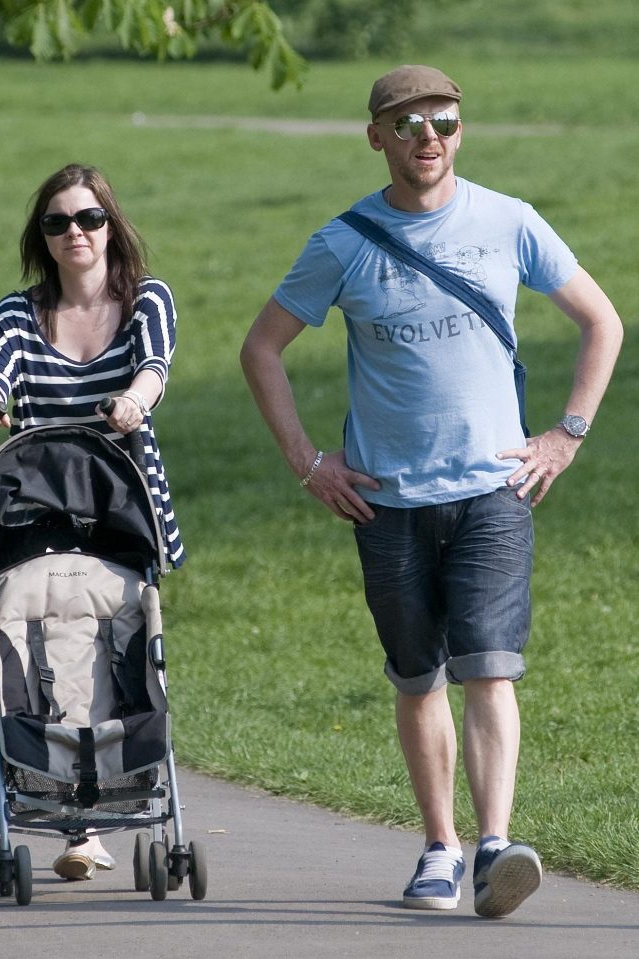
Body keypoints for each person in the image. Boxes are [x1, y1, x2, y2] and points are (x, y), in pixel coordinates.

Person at [240, 65, 622, 917]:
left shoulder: (507, 221)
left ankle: (493, 845)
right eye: (407, 125)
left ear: (460, 130)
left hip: (493, 490)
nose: (427, 139)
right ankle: (438, 848)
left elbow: (603, 320)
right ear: (376, 137)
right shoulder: (343, 241)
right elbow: (261, 347)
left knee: (488, 668)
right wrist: (309, 461)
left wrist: (566, 434)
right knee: (417, 676)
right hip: (385, 498)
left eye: (442, 123)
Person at [0, 163, 185, 880]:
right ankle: (79, 821)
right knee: (45, 641)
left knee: (114, 641)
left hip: (121, 508)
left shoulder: (146, 299)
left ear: (110, 226)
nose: (75, 233)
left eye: (88, 219)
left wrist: (134, 399)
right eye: (58, 222)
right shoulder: (18, 313)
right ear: (43, 236)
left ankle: (104, 796)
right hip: (35, 508)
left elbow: (154, 364)